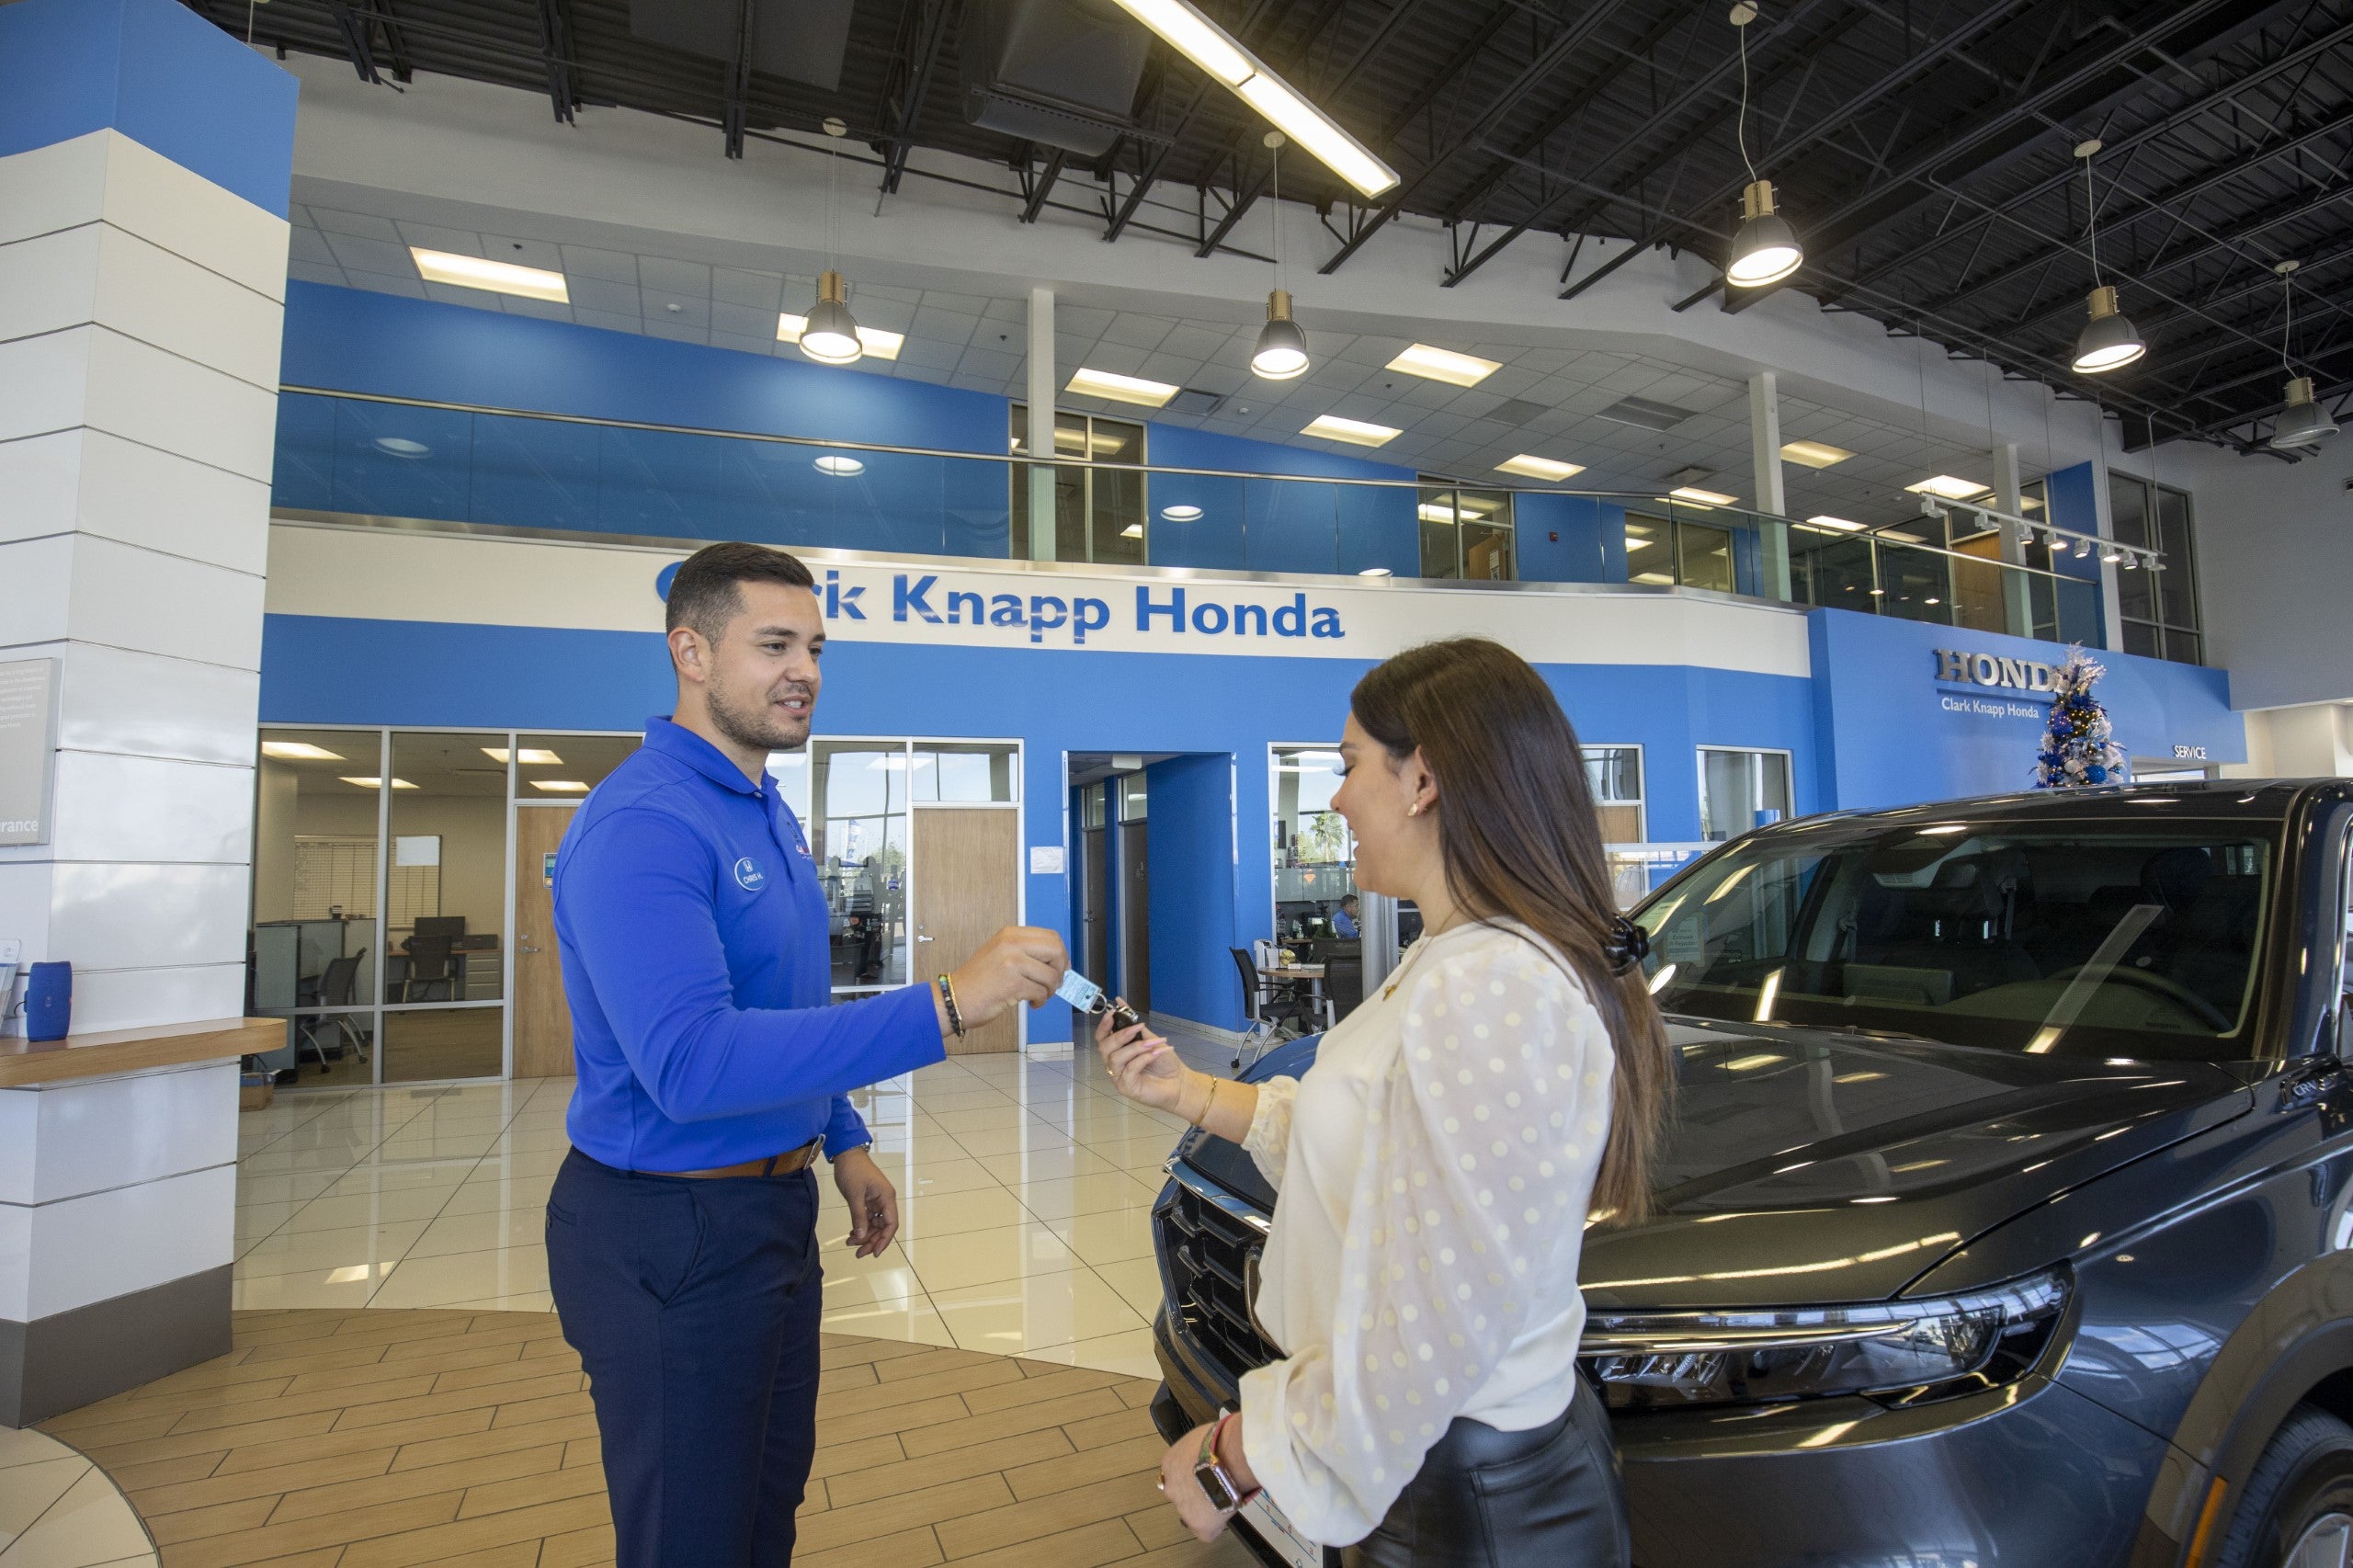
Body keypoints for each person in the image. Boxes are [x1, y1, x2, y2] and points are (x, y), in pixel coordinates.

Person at [1097, 637, 1674, 1566]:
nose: (1334, 798)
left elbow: (1432, 1318)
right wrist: (1189, 1092)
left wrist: (1232, 1454)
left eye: (1348, 764)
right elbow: (1365, 1148)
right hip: (1435, 1470)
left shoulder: (1491, 984)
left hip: (1466, 1499)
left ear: (1424, 779)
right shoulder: (1452, 958)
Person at [548, 541, 1067, 1567]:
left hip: (769, 1214)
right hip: (670, 1225)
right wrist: (949, 1003)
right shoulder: (646, 822)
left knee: (760, 1515)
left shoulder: (763, 806)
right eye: (775, 643)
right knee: (691, 1539)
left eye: (817, 647)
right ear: (688, 650)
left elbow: (786, 1002)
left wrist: (840, 1136)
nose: (806, 671)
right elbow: (691, 1061)